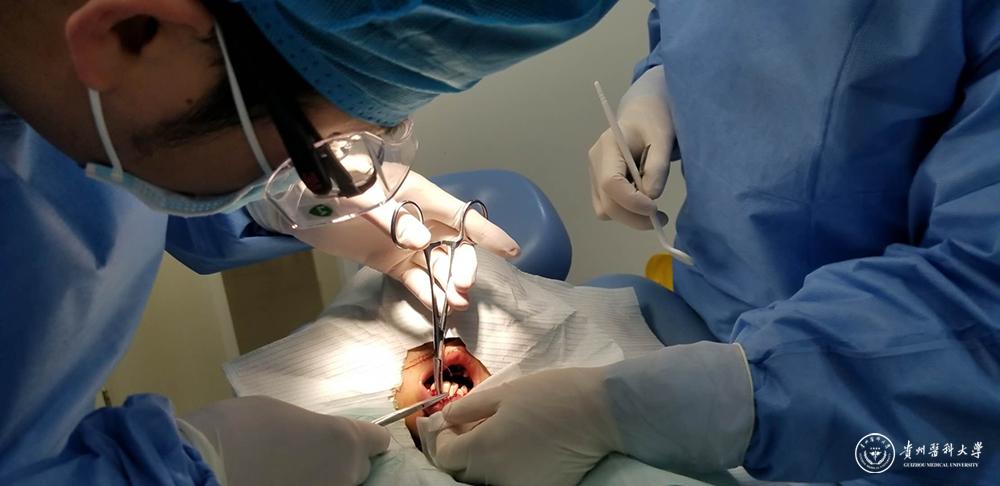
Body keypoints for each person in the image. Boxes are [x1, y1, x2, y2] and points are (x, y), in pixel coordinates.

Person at [0, 0, 617, 483]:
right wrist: (199, 466)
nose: (332, 170)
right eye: (314, 147)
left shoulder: (78, 86)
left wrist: (292, 200)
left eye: (362, 140)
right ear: (131, 32)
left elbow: (133, 148)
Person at [422, 1, 1000, 485]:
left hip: (892, 399)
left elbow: (980, 302)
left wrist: (699, 401)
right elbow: (704, 23)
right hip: (706, 315)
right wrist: (660, 82)